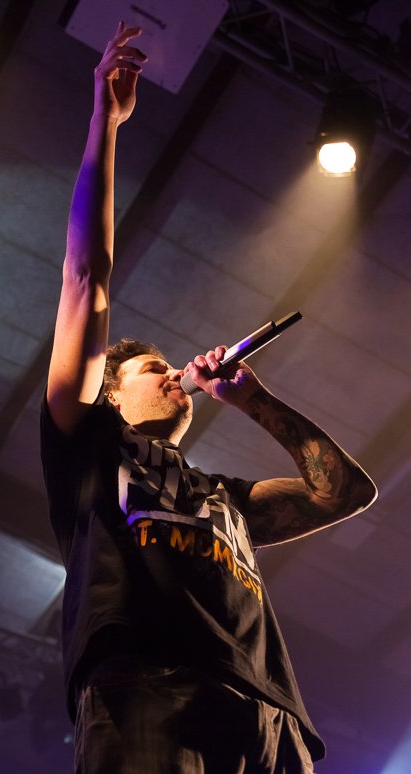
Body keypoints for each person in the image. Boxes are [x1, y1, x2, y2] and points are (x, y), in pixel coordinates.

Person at [41, 21, 377, 773]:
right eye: (151, 368)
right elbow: (87, 277)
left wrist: (254, 400)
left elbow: (347, 494)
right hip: (146, 689)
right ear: (110, 395)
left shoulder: (224, 497)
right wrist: (106, 122)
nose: (172, 376)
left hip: (268, 717)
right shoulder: (87, 445)